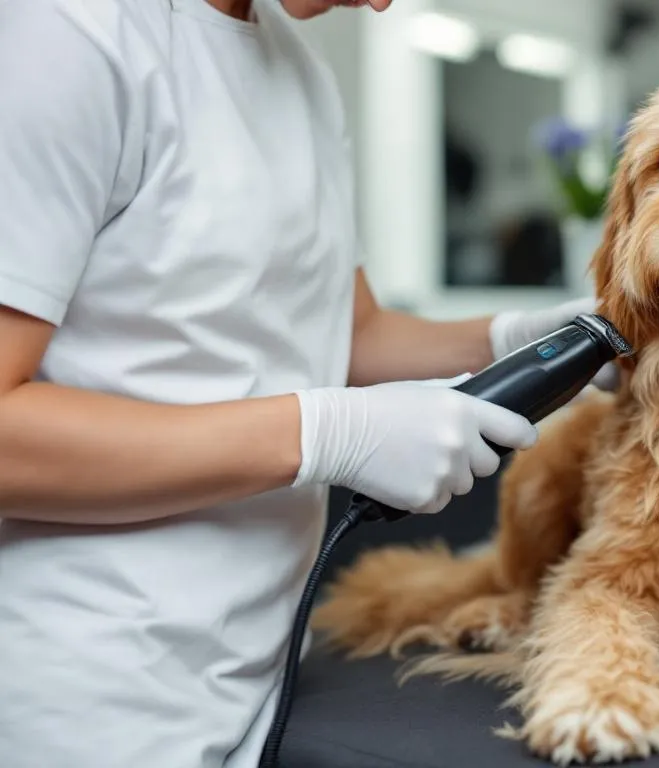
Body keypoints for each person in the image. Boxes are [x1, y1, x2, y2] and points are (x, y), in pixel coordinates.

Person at [0, 1, 614, 766]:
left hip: (264, 678)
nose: (384, 4)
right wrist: (324, 434)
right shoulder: (71, 34)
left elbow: (347, 334)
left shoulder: (303, 73)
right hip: (87, 695)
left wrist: (513, 338)